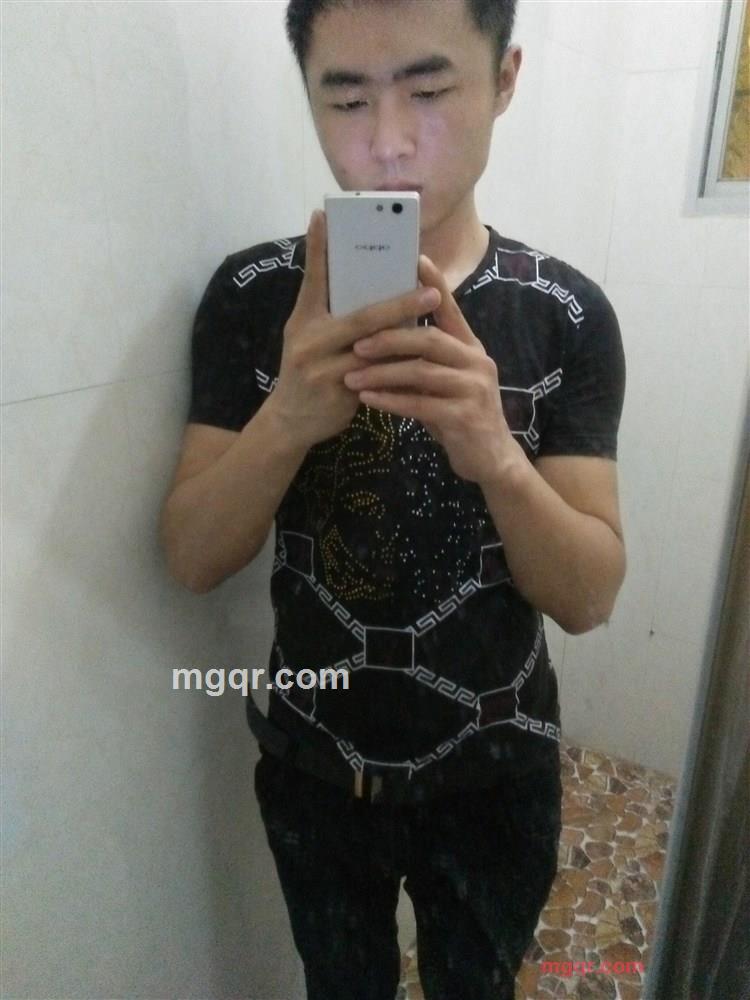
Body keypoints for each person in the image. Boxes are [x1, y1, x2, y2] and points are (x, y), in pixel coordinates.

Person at [159, 0, 627, 996]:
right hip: (314, 763)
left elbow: (588, 597)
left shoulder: (565, 313)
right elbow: (192, 558)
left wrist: (498, 456)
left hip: (497, 769)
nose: (387, 142)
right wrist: (288, 416)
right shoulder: (254, 295)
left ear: (503, 80)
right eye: (346, 99)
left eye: (428, 89)